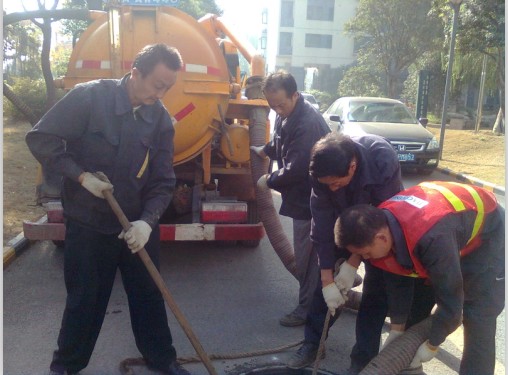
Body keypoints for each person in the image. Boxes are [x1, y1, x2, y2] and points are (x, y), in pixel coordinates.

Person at [26, 44, 191, 375]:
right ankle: (66, 366)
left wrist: (147, 223)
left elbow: (162, 181)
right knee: (84, 302)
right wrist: (81, 176)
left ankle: (163, 360)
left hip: (136, 228)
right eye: (157, 84)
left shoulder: (159, 120)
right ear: (135, 72)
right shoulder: (89, 98)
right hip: (89, 224)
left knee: (149, 296)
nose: (161, 94)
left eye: (168, 88)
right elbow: (40, 138)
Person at [287, 132, 434, 373]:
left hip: (376, 229)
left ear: (353, 166)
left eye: (337, 182)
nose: (332, 188)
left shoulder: (382, 159)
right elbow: (322, 224)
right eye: (328, 184)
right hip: (340, 228)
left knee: (375, 293)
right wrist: (327, 280)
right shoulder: (321, 171)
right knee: (323, 288)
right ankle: (313, 343)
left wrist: (354, 261)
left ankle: (364, 362)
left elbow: (382, 219)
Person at [335, 181, 505, 375]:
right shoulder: (381, 224)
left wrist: (433, 344)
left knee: (478, 315)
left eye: (365, 253)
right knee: (420, 300)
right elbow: (397, 277)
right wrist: (398, 330)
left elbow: (451, 299)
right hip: (446, 229)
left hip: (487, 234)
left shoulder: (432, 239)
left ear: (382, 238)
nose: (365, 259)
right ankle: (408, 363)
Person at [250, 71, 330, 327]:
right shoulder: (287, 114)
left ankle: (307, 310)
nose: (277, 110)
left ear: (295, 95)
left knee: (307, 259)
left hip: (314, 201)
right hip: (302, 198)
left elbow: (297, 167)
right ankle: (325, 295)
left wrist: (269, 180)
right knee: (309, 257)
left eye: (281, 105)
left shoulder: (307, 123)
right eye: (272, 106)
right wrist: (264, 150)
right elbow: (281, 141)